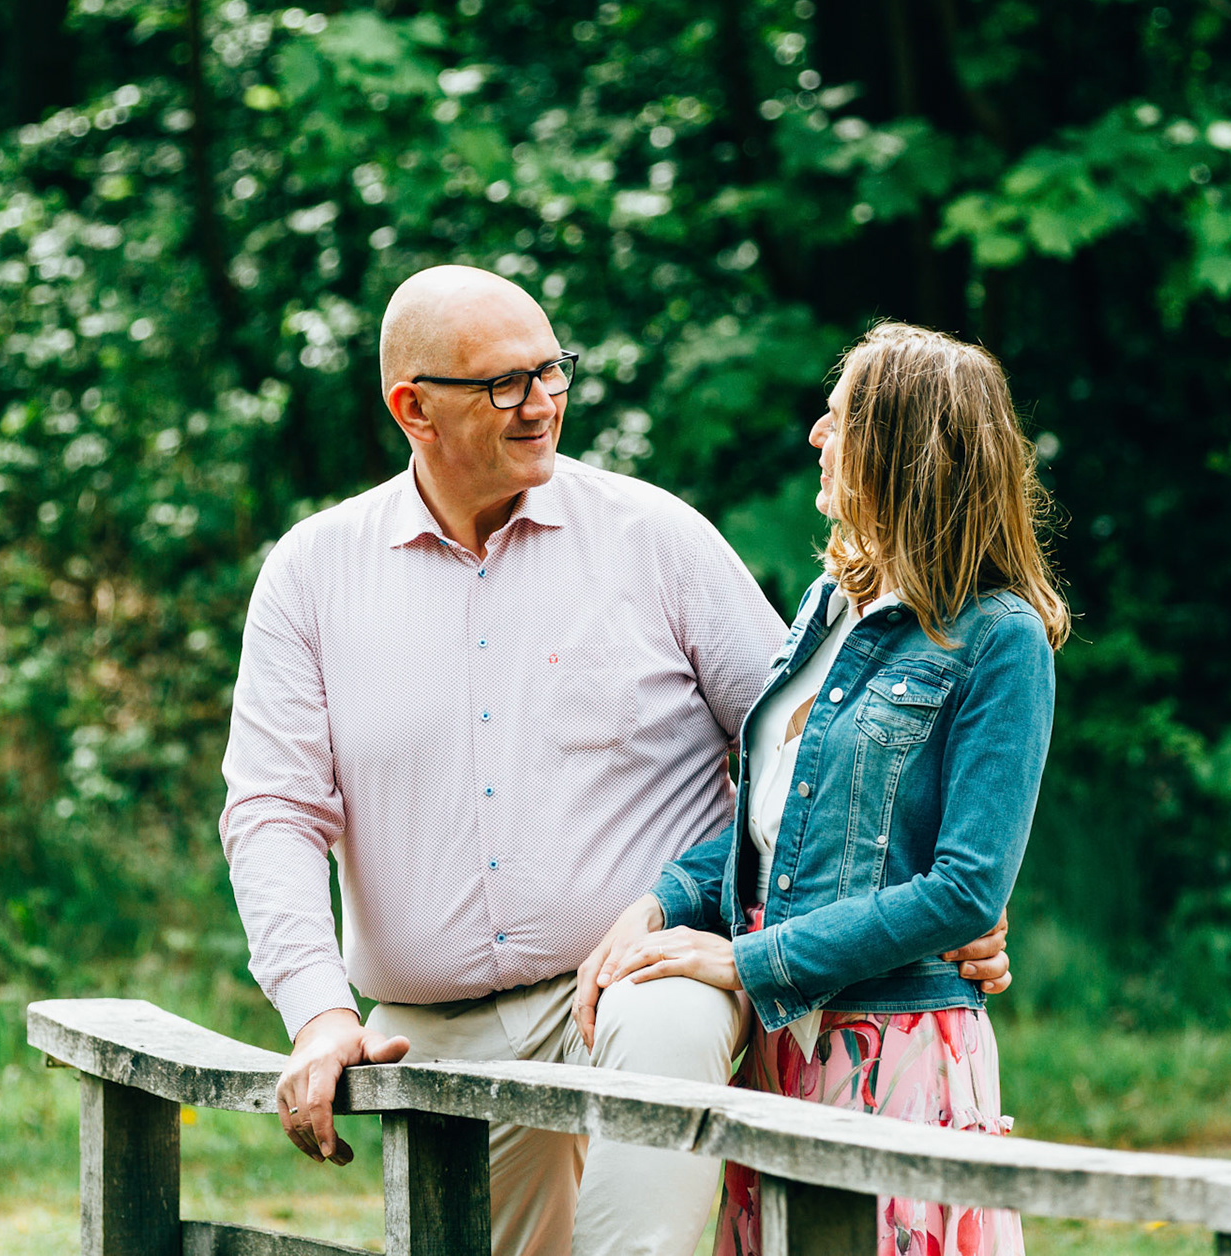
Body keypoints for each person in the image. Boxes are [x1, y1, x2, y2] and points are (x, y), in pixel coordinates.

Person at [219, 267, 1014, 1256]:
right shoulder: (312, 574)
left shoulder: (656, 539)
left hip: (649, 967)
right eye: (504, 384)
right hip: (435, 1020)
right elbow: (273, 813)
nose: (541, 401)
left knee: (668, 1024)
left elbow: (810, 762)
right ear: (413, 408)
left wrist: (940, 889)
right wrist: (318, 1013)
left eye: (552, 370)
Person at [576, 322, 1066, 1256]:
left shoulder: (1000, 637)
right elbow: (775, 827)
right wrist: (664, 900)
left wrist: (744, 963)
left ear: (901, 448)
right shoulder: (827, 606)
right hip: (781, 1043)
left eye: (839, 419)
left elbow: (967, 891)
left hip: (894, 1045)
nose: (815, 435)